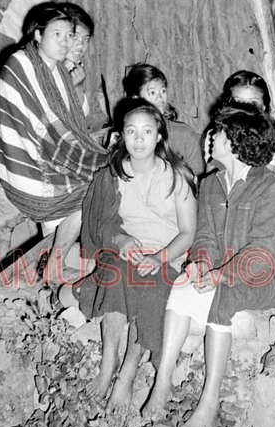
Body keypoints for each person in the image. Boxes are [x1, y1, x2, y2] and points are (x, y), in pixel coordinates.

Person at [143, 103, 275, 427]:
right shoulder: (210, 184)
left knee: (221, 299)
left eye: (218, 133)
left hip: (259, 277)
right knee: (182, 284)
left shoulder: (270, 188)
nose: (210, 138)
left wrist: (221, 275)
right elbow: (205, 235)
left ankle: (209, 402)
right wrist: (201, 263)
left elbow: (262, 254)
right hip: (220, 271)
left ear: (236, 142)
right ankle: (163, 379)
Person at [77, 99, 197, 411]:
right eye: (131, 131)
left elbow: (188, 233)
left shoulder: (177, 176)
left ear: (159, 136)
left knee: (148, 289)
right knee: (116, 275)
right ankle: (107, 364)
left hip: (166, 258)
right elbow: (102, 223)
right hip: (128, 252)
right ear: (122, 136)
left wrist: (158, 258)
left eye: (147, 131)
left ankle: (127, 373)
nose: (139, 139)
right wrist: (121, 238)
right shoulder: (114, 174)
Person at [0, 1, 108, 267]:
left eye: (74, 37)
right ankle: (59, 260)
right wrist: (84, 157)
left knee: (100, 180)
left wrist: (77, 88)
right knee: (91, 184)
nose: (70, 43)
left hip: (48, 153)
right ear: (38, 34)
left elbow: (75, 121)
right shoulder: (20, 64)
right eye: (61, 35)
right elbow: (45, 127)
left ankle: (64, 259)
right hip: (27, 161)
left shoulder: (59, 71)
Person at [210, 70, 275, 186]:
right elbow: (211, 174)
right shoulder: (218, 134)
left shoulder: (274, 134)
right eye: (237, 102)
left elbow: (266, 176)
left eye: (253, 103)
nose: (245, 109)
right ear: (228, 103)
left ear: (264, 106)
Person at [122, 63, 204, 175]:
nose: (160, 97)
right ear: (136, 97)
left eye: (163, 91)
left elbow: (196, 176)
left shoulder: (184, 134)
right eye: (152, 92)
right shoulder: (128, 135)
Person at [59, 1, 95, 115]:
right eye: (75, 36)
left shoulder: (72, 66)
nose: (81, 45)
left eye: (86, 39)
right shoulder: (38, 65)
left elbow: (81, 116)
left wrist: (78, 87)